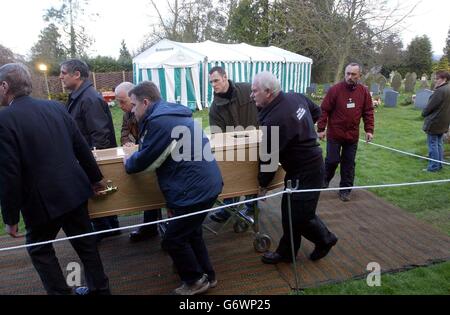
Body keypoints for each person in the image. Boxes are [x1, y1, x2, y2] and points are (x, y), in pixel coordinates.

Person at [0, 63, 110, 295]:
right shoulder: (55, 107)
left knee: (40, 249)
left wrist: (10, 217)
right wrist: (96, 178)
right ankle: (101, 290)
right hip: (74, 191)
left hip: (42, 202)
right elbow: (81, 146)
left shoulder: (4, 119)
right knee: (86, 245)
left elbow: (9, 173)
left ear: (4, 86)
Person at [124, 81, 223, 295]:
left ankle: (195, 281)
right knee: (192, 233)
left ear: (145, 102)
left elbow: (145, 162)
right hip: (206, 184)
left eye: (133, 105)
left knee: (172, 240)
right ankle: (209, 276)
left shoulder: (160, 122)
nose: (131, 110)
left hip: (193, 190)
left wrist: (127, 160)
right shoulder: (172, 115)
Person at [251, 71, 338, 264]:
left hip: (306, 170)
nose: (252, 95)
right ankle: (287, 252)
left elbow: (269, 159)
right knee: (289, 211)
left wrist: (263, 185)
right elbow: (316, 112)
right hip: (304, 167)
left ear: (268, 92)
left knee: (301, 216)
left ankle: (325, 239)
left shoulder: (274, 119)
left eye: (255, 91)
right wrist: (302, 129)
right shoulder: (295, 97)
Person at [59, 59, 120, 238]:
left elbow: (100, 136)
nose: (60, 76)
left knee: (101, 200)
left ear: (76, 74)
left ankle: (106, 228)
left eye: (63, 72)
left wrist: (92, 166)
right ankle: (107, 228)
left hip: (92, 160)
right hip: (86, 159)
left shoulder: (89, 99)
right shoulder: (80, 96)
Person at [317, 63, 374, 202]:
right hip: (335, 134)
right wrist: (321, 129)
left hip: (352, 135)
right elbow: (324, 110)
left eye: (353, 74)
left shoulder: (363, 92)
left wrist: (369, 130)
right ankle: (324, 180)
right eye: (347, 73)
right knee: (332, 160)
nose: (349, 77)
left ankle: (345, 190)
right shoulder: (335, 90)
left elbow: (368, 112)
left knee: (348, 163)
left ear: (359, 75)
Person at [208, 66, 259, 223]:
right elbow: (218, 135)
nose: (214, 84)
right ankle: (228, 209)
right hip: (232, 147)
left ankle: (251, 208)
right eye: (211, 82)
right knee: (231, 175)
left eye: (216, 80)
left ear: (225, 77)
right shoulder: (215, 108)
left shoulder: (246, 89)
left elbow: (263, 105)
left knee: (253, 176)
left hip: (255, 140)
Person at [115, 82, 161, 242]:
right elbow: (124, 133)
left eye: (122, 101)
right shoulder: (128, 114)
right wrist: (127, 142)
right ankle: (150, 226)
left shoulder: (153, 115)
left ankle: (154, 226)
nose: (120, 106)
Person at [421, 70, 450, 172]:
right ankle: (439, 165)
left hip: (435, 121)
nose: (435, 80)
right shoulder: (448, 88)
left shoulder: (440, 91)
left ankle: (433, 167)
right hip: (444, 121)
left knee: (433, 144)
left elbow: (430, 107)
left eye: (437, 78)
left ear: (444, 79)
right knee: (438, 143)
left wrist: (423, 114)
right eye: (435, 78)